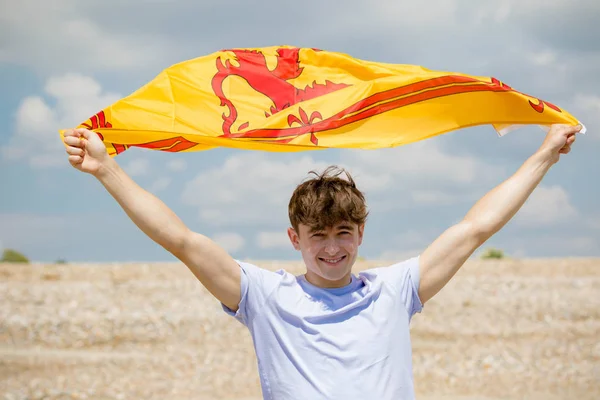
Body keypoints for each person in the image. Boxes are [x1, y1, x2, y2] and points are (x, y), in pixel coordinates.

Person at [62, 123, 581, 399]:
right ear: (295, 237)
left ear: (361, 233)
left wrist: (542, 155)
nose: (332, 248)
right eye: (318, 236)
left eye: (344, 233)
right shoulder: (263, 297)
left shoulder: (395, 289)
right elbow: (181, 239)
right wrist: (107, 171)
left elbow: (475, 228)